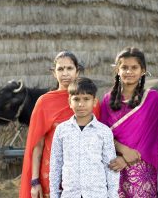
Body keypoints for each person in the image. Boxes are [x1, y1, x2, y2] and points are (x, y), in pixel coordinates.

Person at [19, 51, 100, 198]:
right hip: (51, 175)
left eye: (69, 68)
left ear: (77, 71)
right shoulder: (44, 102)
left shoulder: (91, 102)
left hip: (85, 177)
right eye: (60, 69)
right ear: (54, 73)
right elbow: (38, 145)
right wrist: (35, 181)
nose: (65, 73)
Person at [100, 47, 158, 197]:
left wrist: (127, 159)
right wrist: (123, 151)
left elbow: (154, 137)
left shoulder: (153, 98)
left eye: (134, 67)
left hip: (143, 168)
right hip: (114, 166)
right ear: (117, 70)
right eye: (124, 67)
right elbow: (101, 133)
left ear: (143, 71)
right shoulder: (107, 100)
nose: (129, 71)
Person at [49, 77, 119, 198]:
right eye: (76, 99)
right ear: (70, 102)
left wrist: (113, 195)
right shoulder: (61, 130)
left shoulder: (104, 131)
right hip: (70, 194)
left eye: (86, 99)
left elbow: (111, 166)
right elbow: (56, 165)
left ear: (94, 101)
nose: (81, 104)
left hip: (97, 194)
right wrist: (54, 195)